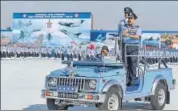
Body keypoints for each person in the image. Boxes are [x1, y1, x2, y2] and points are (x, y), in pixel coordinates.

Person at [121, 12, 142, 86]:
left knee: (133, 64)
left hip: (134, 47)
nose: (129, 20)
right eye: (128, 18)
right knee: (125, 64)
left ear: (134, 19)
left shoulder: (138, 27)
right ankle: (126, 80)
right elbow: (123, 33)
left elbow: (137, 37)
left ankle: (132, 79)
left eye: (131, 18)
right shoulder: (124, 26)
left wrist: (129, 34)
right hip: (125, 46)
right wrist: (132, 33)